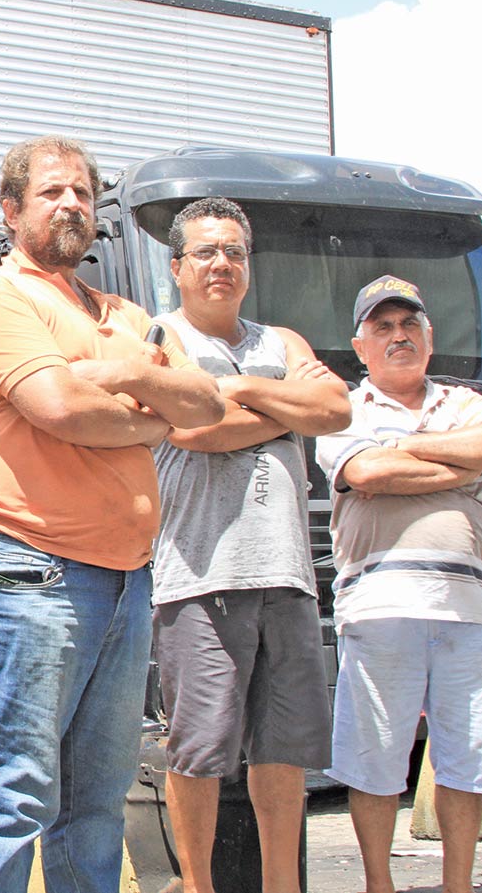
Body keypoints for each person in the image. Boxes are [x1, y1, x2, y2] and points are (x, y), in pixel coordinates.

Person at [0, 135, 224, 893]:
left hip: (127, 579)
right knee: (16, 789)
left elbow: (205, 404)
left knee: (97, 801)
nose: (71, 204)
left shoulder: (126, 315)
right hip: (30, 573)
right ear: (11, 210)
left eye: (82, 193)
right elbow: (61, 406)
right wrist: (152, 414)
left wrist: (125, 372)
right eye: (51, 192)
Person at [150, 197, 350, 893]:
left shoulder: (283, 340)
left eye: (234, 252)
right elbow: (191, 430)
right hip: (199, 575)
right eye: (206, 251)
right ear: (177, 267)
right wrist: (284, 409)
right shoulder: (161, 338)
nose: (222, 264)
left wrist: (234, 388)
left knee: (283, 748)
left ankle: (282, 885)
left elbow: (335, 409)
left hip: (288, 576)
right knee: (199, 747)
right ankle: (198, 886)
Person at [315, 275, 482, 893]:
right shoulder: (344, 408)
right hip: (379, 605)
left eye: (409, 325)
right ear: (361, 346)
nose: (398, 336)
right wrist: (459, 466)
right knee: (374, 760)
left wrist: (406, 449)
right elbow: (368, 473)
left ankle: (458, 886)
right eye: (383, 327)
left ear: (429, 338)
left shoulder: (464, 401)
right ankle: (379, 885)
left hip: (467, 609)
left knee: (466, 758)